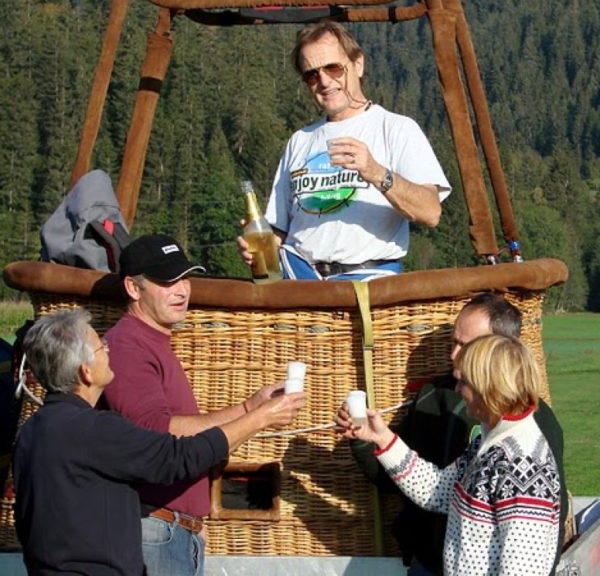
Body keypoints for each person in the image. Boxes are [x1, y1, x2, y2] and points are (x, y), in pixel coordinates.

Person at [13, 309, 304, 575]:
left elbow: (25, 519)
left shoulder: (32, 432)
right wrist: (260, 418)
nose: (109, 348)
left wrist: (251, 407)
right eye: (101, 346)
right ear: (85, 372)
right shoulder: (95, 430)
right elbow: (177, 458)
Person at [102, 233, 298, 576]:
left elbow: (179, 430)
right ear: (133, 288)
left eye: (185, 277)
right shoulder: (128, 347)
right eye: (167, 281)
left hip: (172, 530)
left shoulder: (152, 341)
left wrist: (250, 407)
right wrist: (259, 419)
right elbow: (159, 435)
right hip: (153, 529)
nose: (181, 289)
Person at [338, 292, 567, 575]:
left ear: (489, 385)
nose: (457, 390)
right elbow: (437, 491)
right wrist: (381, 438)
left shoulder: (523, 467)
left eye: (465, 382)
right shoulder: (489, 442)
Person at [238, 21, 451, 281]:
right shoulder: (300, 140)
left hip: (367, 281)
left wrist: (375, 172)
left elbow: (430, 212)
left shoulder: (396, 128)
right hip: (298, 280)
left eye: (333, 68)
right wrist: (258, 247)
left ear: (358, 64)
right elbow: (279, 229)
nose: (324, 81)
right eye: (312, 75)